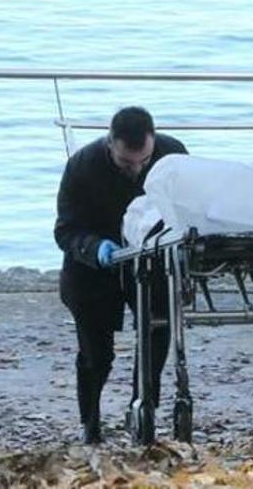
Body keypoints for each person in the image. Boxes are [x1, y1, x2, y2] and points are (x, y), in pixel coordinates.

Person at [54, 106, 187, 444]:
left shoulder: (173, 155)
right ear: (110, 143)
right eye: (127, 164)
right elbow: (65, 230)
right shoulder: (82, 166)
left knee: (157, 333)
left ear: (153, 142)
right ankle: (90, 421)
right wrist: (95, 247)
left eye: (144, 161)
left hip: (152, 258)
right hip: (95, 265)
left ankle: (142, 409)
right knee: (97, 353)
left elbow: (190, 208)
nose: (137, 169)